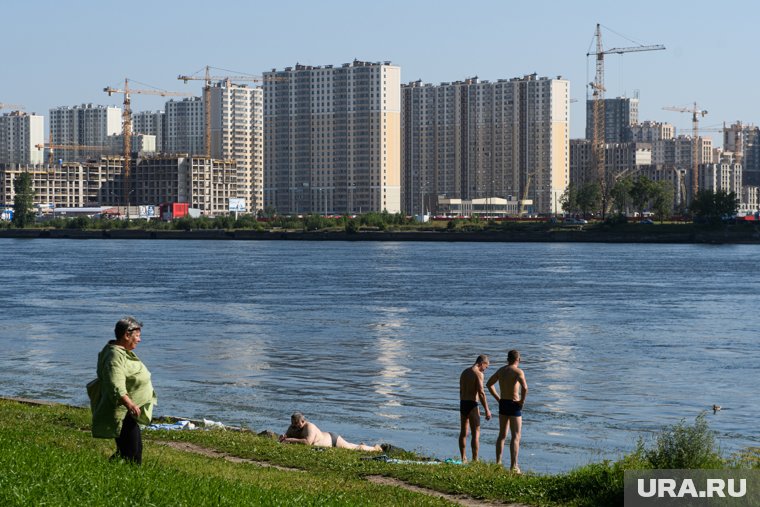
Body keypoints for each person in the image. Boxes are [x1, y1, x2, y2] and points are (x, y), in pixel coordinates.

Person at [90, 316, 157, 465]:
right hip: (124, 410)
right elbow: (115, 382)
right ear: (127, 335)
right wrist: (130, 404)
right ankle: (126, 478)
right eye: (137, 336)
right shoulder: (114, 355)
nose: (139, 340)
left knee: (134, 448)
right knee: (131, 451)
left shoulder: (120, 351)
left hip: (129, 411)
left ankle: (115, 473)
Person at [486, 349, 527, 473]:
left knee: (502, 435)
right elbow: (525, 387)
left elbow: (489, 384)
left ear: (507, 359)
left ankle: (498, 463)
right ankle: (514, 466)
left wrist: (498, 398)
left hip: (503, 403)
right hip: (514, 404)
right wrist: (522, 402)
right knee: (516, 436)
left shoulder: (501, 370)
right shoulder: (518, 371)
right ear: (518, 360)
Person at [279, 412, 382, 452]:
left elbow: (307, 443)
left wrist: (289, 440)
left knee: (354, 449)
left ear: (303, 421)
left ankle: (376, 448)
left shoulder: (309, 426)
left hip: (332, 440)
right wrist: (284, 437)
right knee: (351, 446)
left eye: (296, 424)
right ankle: (363, 445)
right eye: (293, 424)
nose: (294, 426)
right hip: (328, 438)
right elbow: (287, 436)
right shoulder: (292, 427)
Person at [458, 354, 491, 462]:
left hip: (463, 403)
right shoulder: (478, 374)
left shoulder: (464, 372)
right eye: (486, 367)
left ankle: (463, 458)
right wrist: (487, 410)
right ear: (482, 363)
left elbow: (461, 390)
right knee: (476, 432)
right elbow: (481, 393)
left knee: (463, 432)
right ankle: (475, 460)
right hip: (472, 404)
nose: (485, 370)